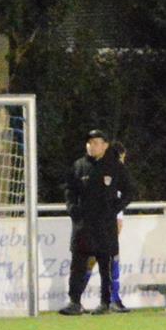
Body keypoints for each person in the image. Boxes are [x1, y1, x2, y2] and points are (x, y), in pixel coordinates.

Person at [62, 128, 131, 314]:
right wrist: (72, 209)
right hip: (83, 225)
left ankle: (105, 303)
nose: (91, 146)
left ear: (105, 145)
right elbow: (69, 191)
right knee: (78, 264)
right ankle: (74, 302)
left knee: (105, 265)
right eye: (89, 142)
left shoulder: (115, 166)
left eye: (96, 142)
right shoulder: (79, 166)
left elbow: (129, 191)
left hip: (105, 225)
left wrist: (114, 209)